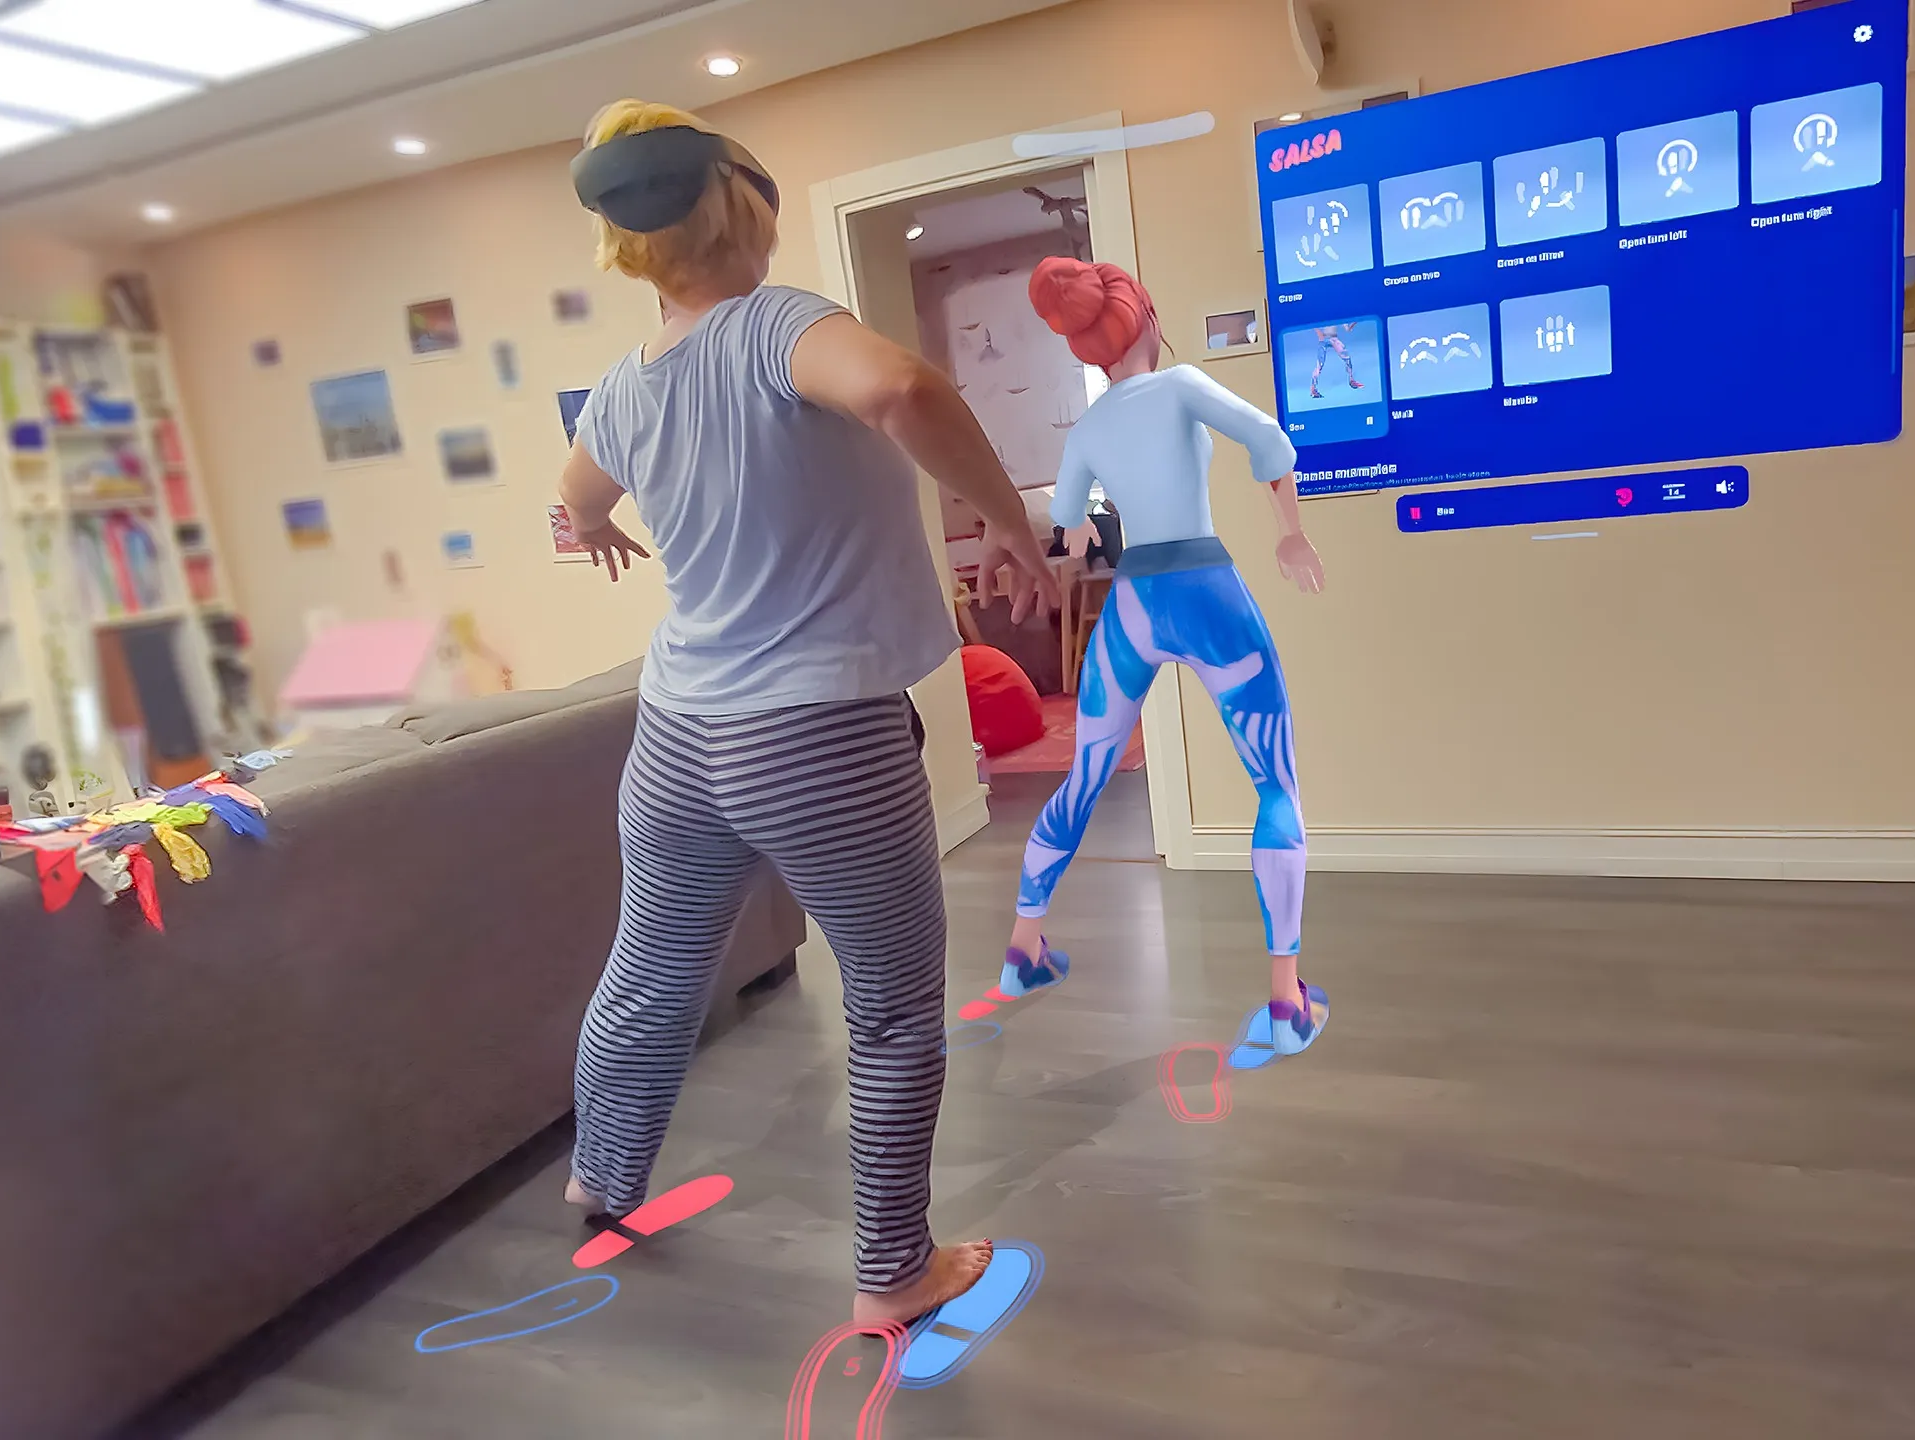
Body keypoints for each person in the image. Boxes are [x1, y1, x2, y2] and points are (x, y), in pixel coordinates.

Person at [555, 100, 1059, 1325]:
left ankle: (600, 1176)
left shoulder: (623, 387)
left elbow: (572, 500)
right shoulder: (779, 326)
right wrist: (1006, 520)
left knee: (649, 973)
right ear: (746, 205)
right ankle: (894, 1270)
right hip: (815, 731)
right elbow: (901, 386)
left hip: (677, 730)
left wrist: (598, 529)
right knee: (891, 1004)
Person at [1003, 258, 1332, 1056]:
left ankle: (1023, 948)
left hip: (1133, 605)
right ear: (1146, 319)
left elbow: (1065, 517)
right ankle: (1285, 1000)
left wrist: (1077, 533)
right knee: (1274, 784)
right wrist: (1290, 533)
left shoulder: (1090, 427)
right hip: (1205, 591)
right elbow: (1268, 440)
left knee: (1083, 777)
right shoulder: (1181, 384)